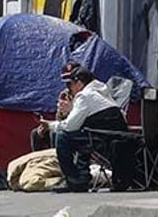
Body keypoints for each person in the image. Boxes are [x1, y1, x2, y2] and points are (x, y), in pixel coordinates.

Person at [38, 63, 127, 193]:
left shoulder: (84, 96)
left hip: (103, 137)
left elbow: (69, 126)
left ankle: (74, 180)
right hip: (115, 134)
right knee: (81, 134)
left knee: (62, 136)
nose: (69, 89)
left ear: (79, 83)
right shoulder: (101, 90)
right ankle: (83, 176)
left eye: (69, 85)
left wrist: (49, 125)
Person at [31, 61, 79, 151]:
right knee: (36, 133)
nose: (69, 86)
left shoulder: (85, 94)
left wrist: (71, 109)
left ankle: (58, 160)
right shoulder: (65, 94)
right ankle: (39, 160)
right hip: (64, 124)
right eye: (67, 83)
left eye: (72, 82)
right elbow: (59, 118)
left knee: (56, 133)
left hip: (78, 128)